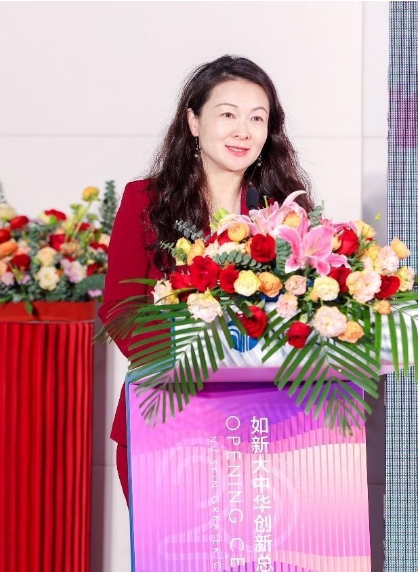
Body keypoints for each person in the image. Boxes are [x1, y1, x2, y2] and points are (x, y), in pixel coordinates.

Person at [98, 54, 315, 505]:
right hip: (168, 415)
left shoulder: (286, 212)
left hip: (266, 426)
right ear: (194, 121)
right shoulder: (146, 200)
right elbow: (120, 308)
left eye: (257, 118)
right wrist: (193, 365)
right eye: (228, 115)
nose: (243, 131)